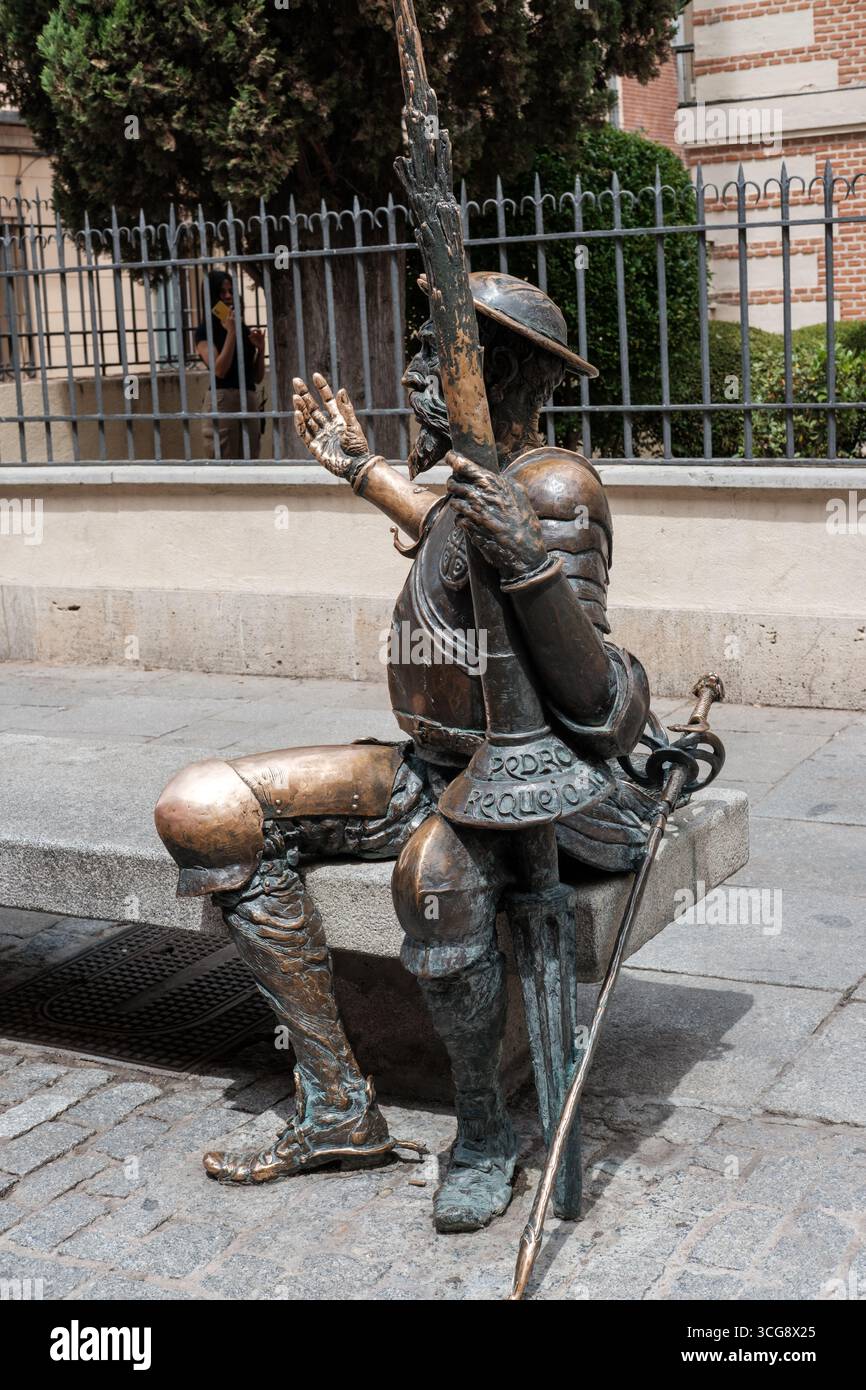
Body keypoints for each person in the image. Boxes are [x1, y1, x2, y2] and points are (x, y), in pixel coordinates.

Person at [155, 272, 659, 1234]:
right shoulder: (473, 488)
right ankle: (338, 1108)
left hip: (542, 788)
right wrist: (360, 469)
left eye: (436, 356)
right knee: (205, 805)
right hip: (432, 764)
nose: (414, 373)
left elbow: (599, 709)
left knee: (431, 876)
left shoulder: (551, 488)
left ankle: (484, 1135)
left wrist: (537, 567)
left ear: (495, 372)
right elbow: (441, 528)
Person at [195, 270, 266, 459]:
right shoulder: (205, 330)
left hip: (248, 397)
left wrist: (260, 351)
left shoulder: (241, 327)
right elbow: (219, 370)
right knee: (225, 461)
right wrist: (231, 333)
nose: (227, 297)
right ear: (211, 296)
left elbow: (257, 377)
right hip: (223, 400)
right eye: (222, 292)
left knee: (251, 459)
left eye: (230, 291)